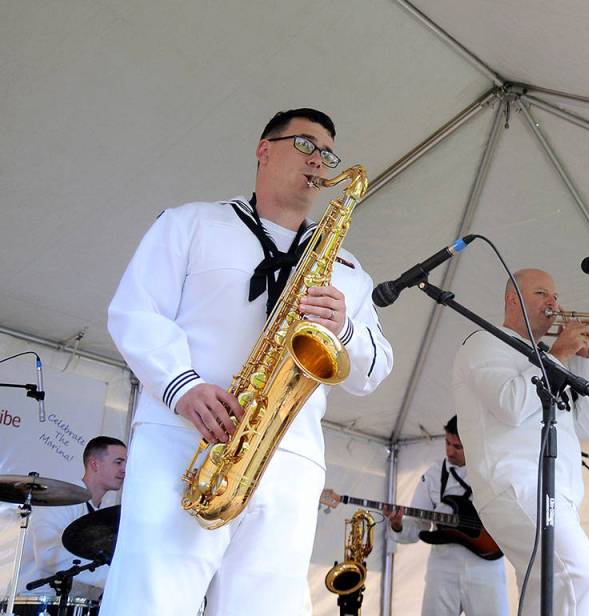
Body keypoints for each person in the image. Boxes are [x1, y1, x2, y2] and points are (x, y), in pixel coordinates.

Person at [101, 108, 393, 616]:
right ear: (264, 149)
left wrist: (344, 328)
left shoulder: (347, 270)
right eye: (306, 144)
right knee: (152, 596)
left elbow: (374, 370)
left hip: (290, 454)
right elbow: (134, 311)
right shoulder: (190, 223)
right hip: (186, 437)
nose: (319, 160)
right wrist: (182, 385)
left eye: (327, 153)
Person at [453, 268, 589, 616]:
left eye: (555, 296)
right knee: (583, 579)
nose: (553, 303)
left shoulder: (548, 358)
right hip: (516, 486)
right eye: (542, 294)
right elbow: (511, 406)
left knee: (548, 596)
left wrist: (585, 362)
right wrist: (558, 355)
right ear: (513, 300)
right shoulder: (485, 343)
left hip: (558, 496)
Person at [383, 416, 508, 616]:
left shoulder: (495, 473)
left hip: (486, 566)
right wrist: (398, 525)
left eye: (457, 447)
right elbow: (417, 527)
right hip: (442, 568)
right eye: (447, 443)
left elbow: (510, 518)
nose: (449, 451)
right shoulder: (432, 476)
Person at [17, 436, 126, 601]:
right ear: (94, 464)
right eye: (118, 462)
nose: (124, 469)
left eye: (126, 463)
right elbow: (48, 556)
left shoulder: (103, 512)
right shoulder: (60, 500)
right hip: (34, 602)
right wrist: (114, 578)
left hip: (74, 604)